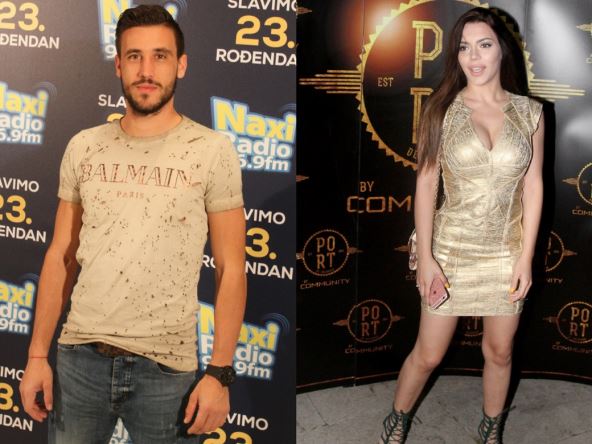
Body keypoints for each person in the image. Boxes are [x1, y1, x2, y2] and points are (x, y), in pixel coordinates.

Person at [19, 5, 247, 443]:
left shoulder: (212, 150)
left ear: (181, 64)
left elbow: (231, 267)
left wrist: (219, 372)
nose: (146, 70)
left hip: (168, 371)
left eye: (160, 56)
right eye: (134, 56)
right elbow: (61, 255)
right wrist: (36, 356)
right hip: (78, 361)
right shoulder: (84, 146)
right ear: (118, 65)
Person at [379, 7, 544, 444]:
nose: (474, 57)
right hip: (451, 249)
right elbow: (426, 186)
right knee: (429, 353)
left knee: (500, 351)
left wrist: (525, 258)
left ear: (502, 50)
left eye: (484, 45)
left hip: (506, 250)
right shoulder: (441, 110)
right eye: (464, 47)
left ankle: (490, 430)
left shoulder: (530, 113)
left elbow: (533, 185)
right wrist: (427, 258)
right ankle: (398, 417)